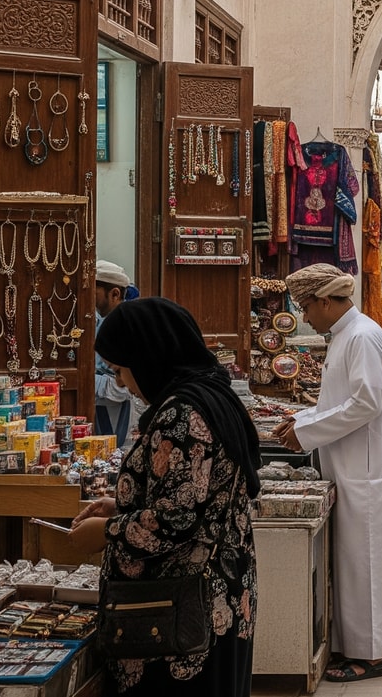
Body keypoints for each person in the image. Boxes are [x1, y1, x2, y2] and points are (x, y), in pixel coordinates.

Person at [69, 297, 262, 696]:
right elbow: (196, 495)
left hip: (180, 611)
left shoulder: (182, 414)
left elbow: (176, 520)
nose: (121, 382)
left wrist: (107, 531)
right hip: (214, 595)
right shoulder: (209, 393)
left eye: (122, 369)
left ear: (149, 357)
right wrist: (123, 505)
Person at [269, 266, 382, 681]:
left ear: (324, 301)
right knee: (356, 564)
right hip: (352, 466)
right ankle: (356, 645)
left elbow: (365, 403)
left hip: (366, 471)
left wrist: (307, 431)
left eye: (305, 307)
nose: (304, 317)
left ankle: (371, 657)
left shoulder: (362, 336)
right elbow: (339, 399)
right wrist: (299, 419)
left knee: (366, 564)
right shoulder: (345, 336)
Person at [93, 260, 145, 445]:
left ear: (114, 294)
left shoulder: (124, 323)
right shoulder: (96, 318)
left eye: (95, 293)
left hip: (112, 395)